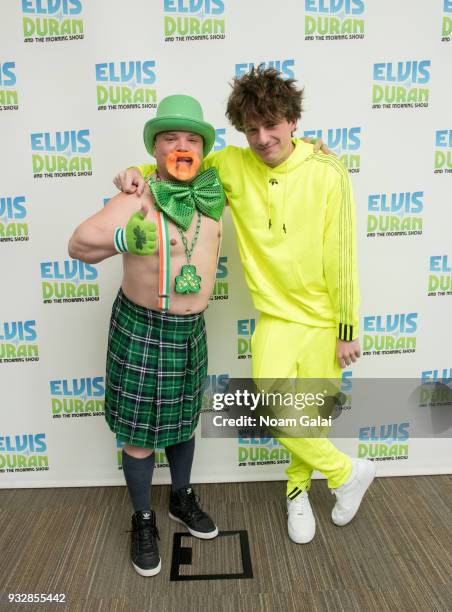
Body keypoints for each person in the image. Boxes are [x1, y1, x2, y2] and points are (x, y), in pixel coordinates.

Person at [114, 67, 376, 545]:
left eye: (272, 124)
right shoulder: (231, 166)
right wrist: (137, 171)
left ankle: (298, 491)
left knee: (309, 415)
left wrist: (347, 327)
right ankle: (347, 472)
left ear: (293, 121)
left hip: (324, 319)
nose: (262, 137)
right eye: (251, 128)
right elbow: (178, 164)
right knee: (278, 408)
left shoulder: (328, 170)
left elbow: (343, 254)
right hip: (276, 315)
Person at [68, 94, 225, 577]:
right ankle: (142, 518)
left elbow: (272, 159)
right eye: (170, 139)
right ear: (154, 150)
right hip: (143, 328)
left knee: (182, 422)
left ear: (204, 149)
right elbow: (77, 243)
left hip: (190, 330)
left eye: (191, 139)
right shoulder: (137, 195)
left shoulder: (218, 189)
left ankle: (181, 497)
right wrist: (121, 239)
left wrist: (314, 146)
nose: (181, 146)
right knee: (139, 432)